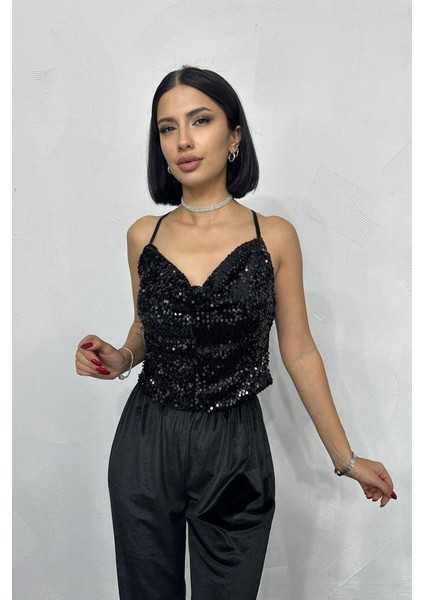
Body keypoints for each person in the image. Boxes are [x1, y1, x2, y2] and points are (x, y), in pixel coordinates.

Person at [75, 66, 397, 600]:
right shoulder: (143, 236)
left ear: (234, 137)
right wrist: (119, 357)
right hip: (146, 442)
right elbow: (144, 329)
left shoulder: (274, 236)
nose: (183, 140)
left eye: (200, 120)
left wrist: (345, 459)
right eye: (167, 127)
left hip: (235, 449)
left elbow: (299, 352)